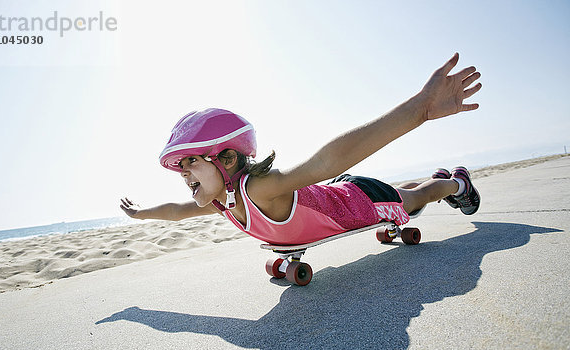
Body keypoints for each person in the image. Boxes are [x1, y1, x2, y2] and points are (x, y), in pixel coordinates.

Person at [121, 53, 482, 246]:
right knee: (413, 196)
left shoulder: (256, 188)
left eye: (191, 163)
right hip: (335, 192)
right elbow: (177, 211)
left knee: (416, 199)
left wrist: (417, 109)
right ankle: (444, 181)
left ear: (228, 158)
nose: (183, 173)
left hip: (360, 199)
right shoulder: (223, 201)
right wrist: (140, 214)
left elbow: (325, 161)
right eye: (180, 167)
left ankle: (456, 184)